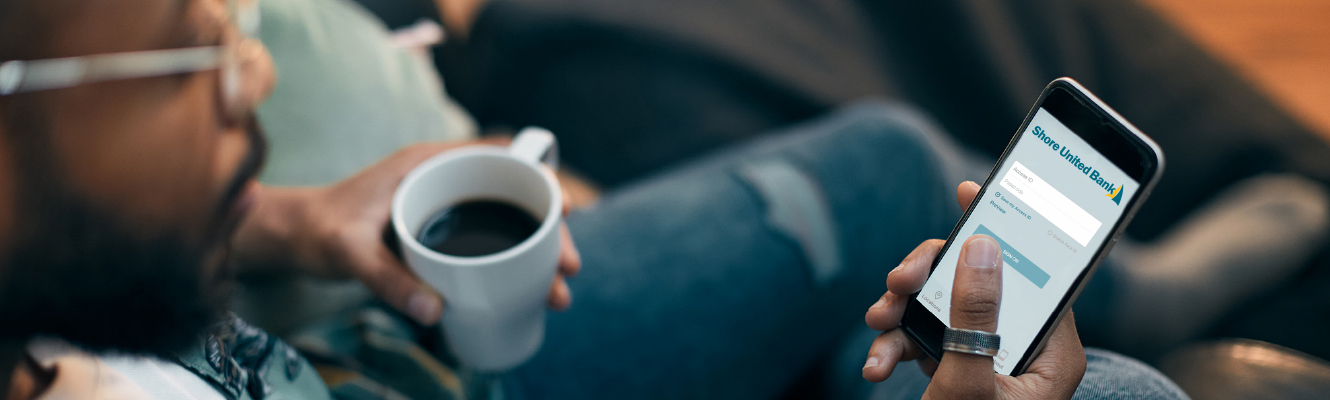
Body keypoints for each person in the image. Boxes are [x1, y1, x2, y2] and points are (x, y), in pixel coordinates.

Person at [0, 0, 1195, 400]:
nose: (253, 69)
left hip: (391, 361)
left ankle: (1141, 275)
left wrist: (287, 218)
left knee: (886, 175)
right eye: (181, 46)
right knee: (1113, 391)